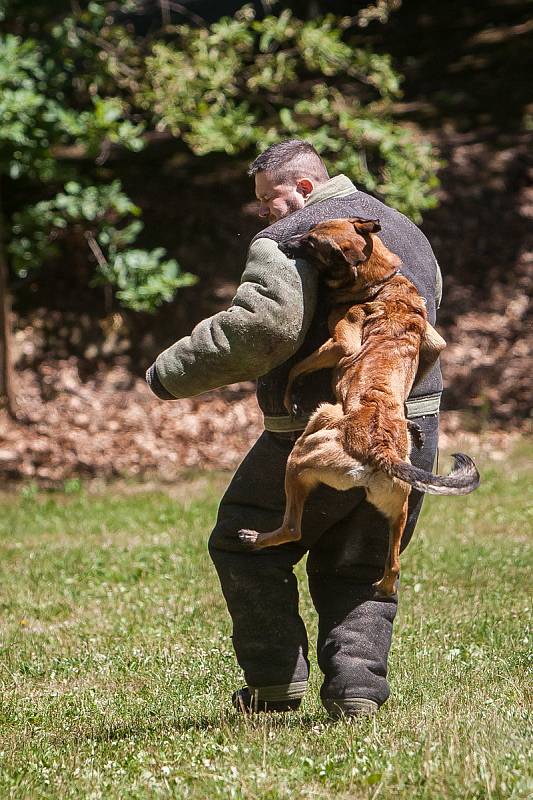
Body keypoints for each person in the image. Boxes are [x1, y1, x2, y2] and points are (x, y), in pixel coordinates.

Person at [146, 140, 442, 718]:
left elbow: (265, 328)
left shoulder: (292, 237)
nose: (263, 211)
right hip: (412, 431)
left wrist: (170, 373)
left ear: (304, 188)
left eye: (267, 197)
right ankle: (357, 692)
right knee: (360, 562)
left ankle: (275, 685)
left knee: (245, 541)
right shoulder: (406, 228)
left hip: (326, 428)